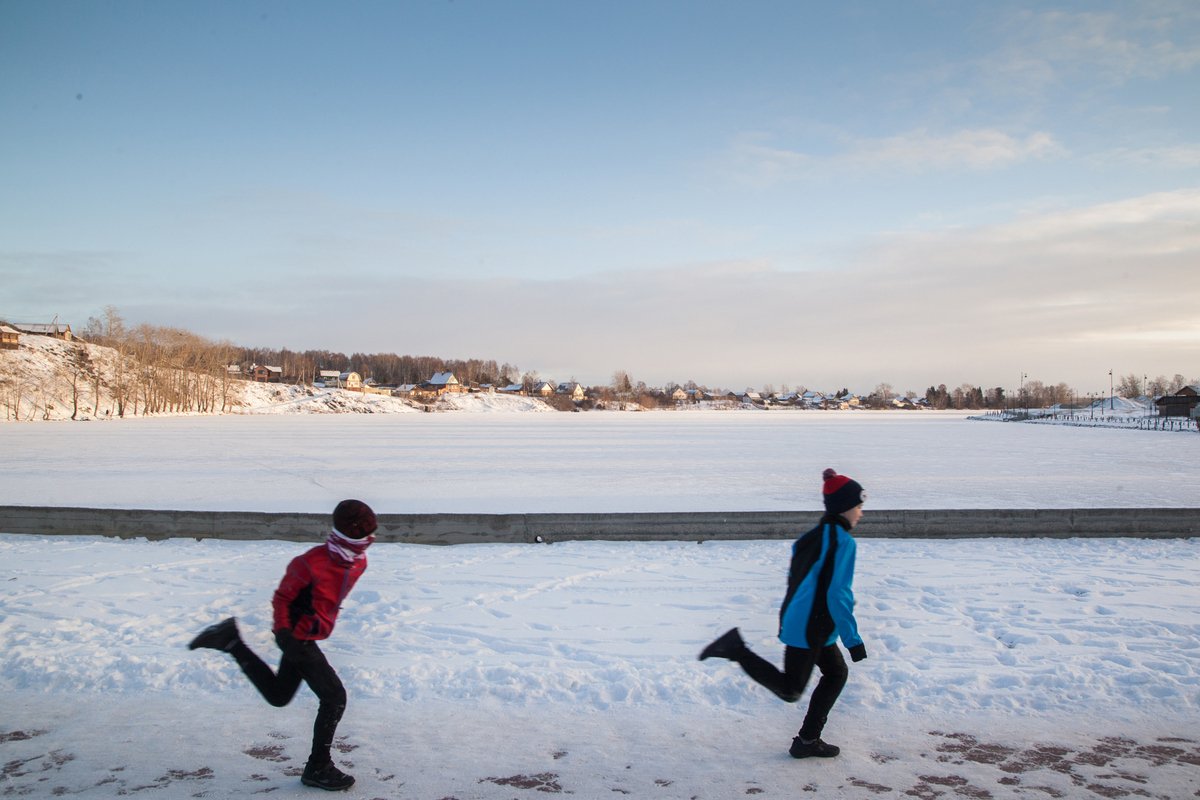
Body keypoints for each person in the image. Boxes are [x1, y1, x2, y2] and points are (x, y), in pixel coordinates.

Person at [188, 499, 378, 791]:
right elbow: (282, 599)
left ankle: (230, 640)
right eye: (363, 533)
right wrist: (285, 633)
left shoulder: (357, 561)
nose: (369, 540)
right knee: (334, 697)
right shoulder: (309, 563)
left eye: (370, 533)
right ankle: (318, 767)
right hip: (296, 636)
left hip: (308, 633)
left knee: (278, 695)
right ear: (349, 533)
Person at [699, 469, 867, 759]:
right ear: (845, 507)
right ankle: (736, 649)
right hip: (810, 627)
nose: (861, 513)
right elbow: (838, 594)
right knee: (791, 690)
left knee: (836, 673)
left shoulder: (811, 537)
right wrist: (853, 639)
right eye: (859, 506)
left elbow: (801, 583)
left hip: (806, 621)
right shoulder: (842, 542)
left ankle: (807, 740)